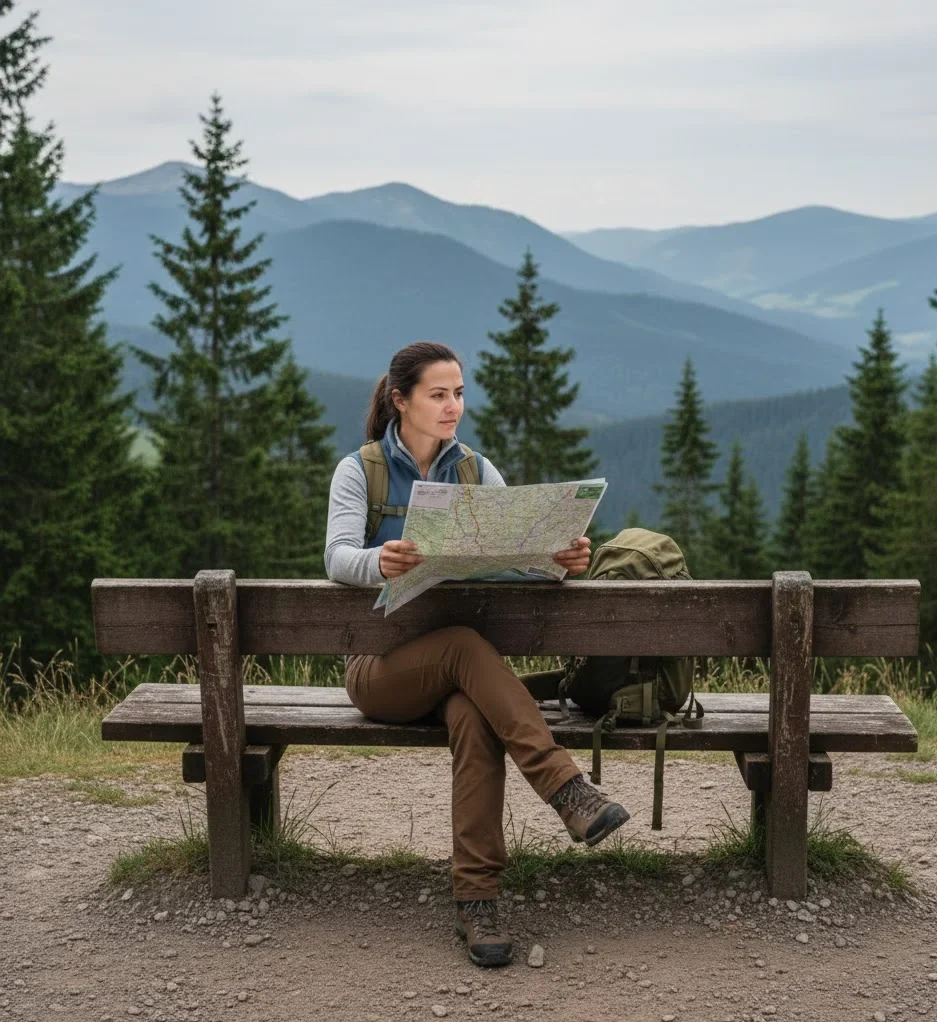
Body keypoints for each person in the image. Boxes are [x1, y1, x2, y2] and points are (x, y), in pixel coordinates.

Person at [324, 341, 630, 968]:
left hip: (460, 677)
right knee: (466, 648)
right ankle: (567, 789)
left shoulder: (475, 471)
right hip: (382, 673)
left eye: (459, 393)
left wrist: (559, 563)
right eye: (439, 394)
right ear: (399, 400)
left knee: (472, 714)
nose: (453, 406)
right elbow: (334, 557)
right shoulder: (361, 470)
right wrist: (377, 562)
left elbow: (513, 558)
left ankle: (478, 903)